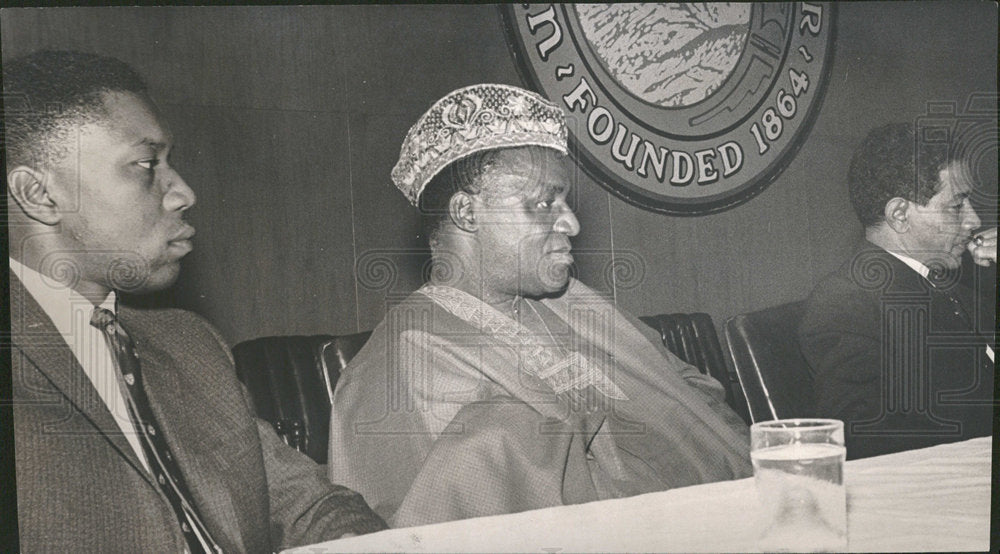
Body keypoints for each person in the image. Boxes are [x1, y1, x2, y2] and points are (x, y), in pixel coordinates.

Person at [4, 50, 386, 552]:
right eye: (146, 165)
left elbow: (309, 508)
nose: (183, 192)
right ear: (39, 194)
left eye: (170, 163)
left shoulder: (190, 344)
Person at [327, 83, 752, 527]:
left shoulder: (573, 303)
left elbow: (697, 402)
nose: (571, 223)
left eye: (563, 201)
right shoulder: (399, 367)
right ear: (467, 214)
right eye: (544, 203)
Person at [798, 122, 996, 460]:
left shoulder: (958, 285)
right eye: (957, 206)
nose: (974, 220)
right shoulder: (845, 304)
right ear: (900, 215)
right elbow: (865, 438)